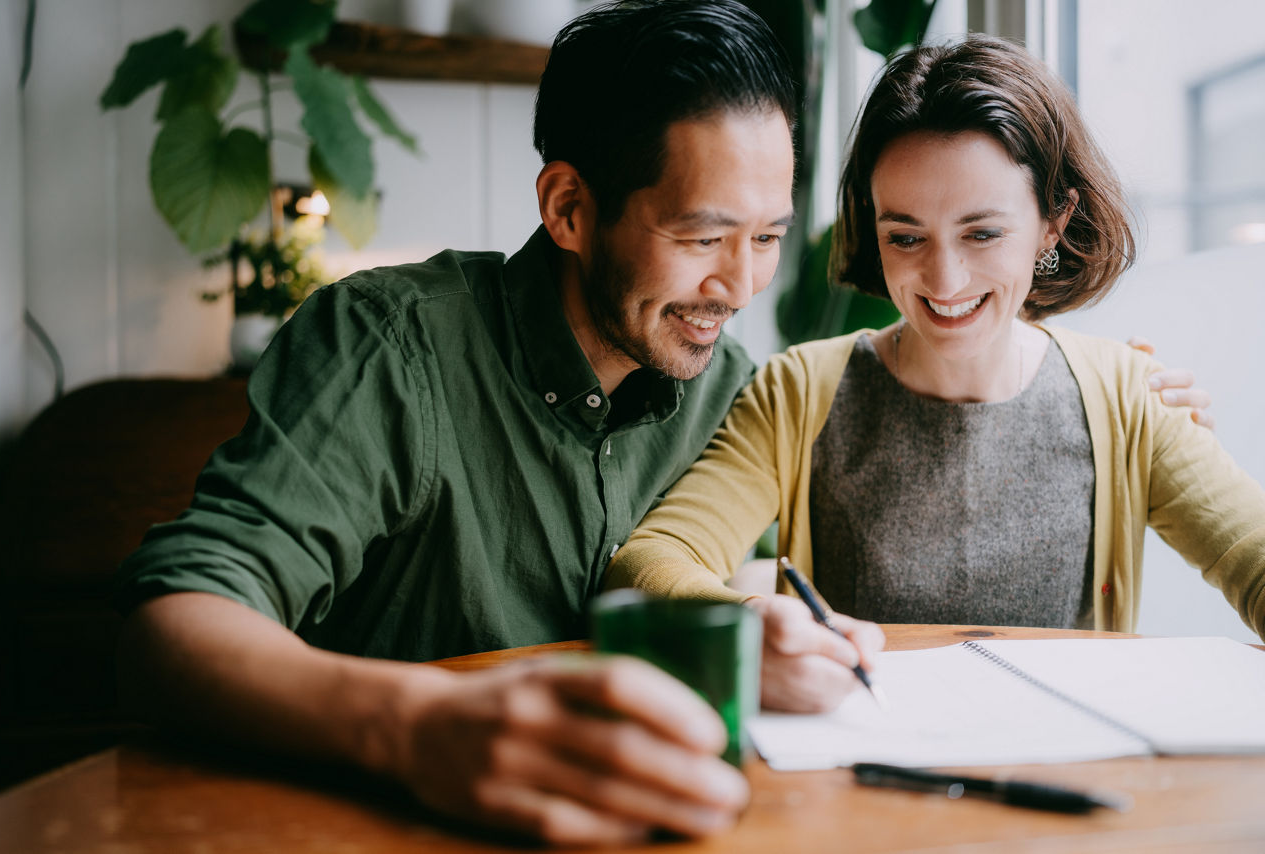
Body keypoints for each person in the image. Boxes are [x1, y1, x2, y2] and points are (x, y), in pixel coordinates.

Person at [114, 5, 1211, 844]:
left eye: (769, 236)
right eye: (701, 236)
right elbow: (175, 623)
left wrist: (1103, 398)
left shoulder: (726, 379)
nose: (736, 284)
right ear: (569, 209)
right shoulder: (391, 345)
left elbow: (740, 584)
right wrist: (414, 724)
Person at [605, 36, 1265, 652]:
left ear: (1052, 224)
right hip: (861, 768)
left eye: (982, 234)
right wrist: (755, 626)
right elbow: (648, 565)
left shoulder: (1128, 397)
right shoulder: (799, 392)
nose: (944, 281)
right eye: (906, 237)